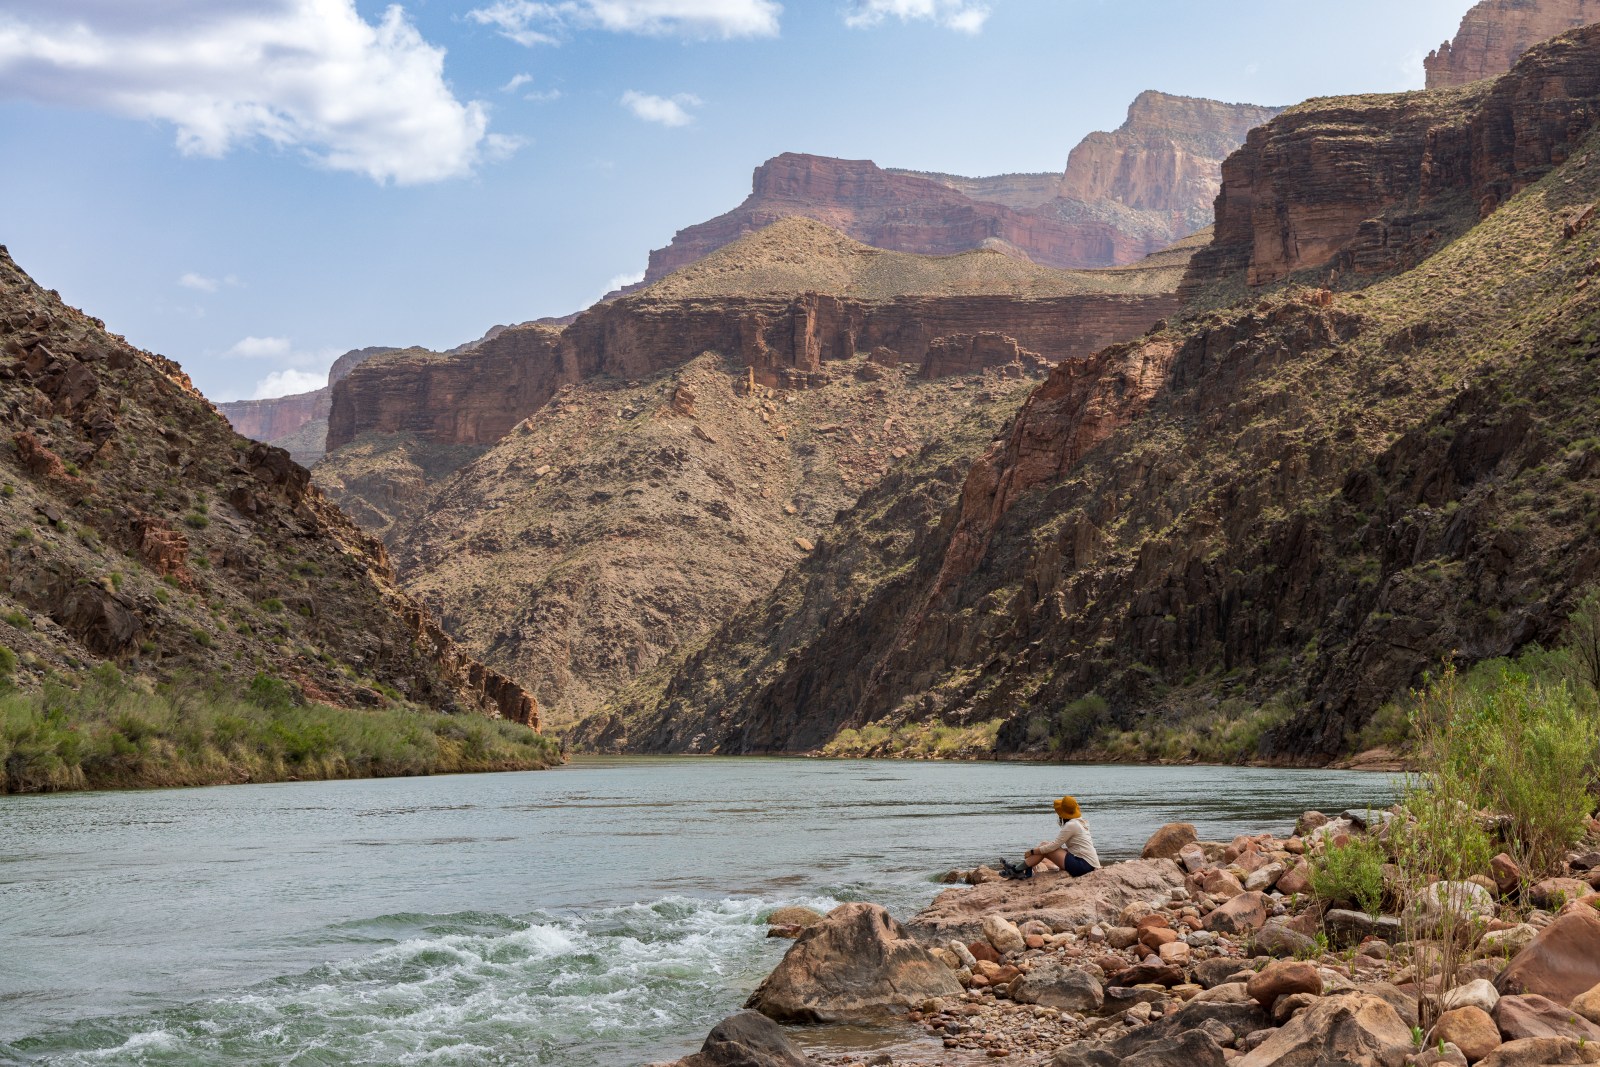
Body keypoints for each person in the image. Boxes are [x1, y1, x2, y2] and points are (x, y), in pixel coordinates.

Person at [1024, 795, 1101, 877]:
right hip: (1089, 863)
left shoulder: (1071, 825)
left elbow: (1053, 846)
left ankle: (1018, 869)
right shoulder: (1079, 822)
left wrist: (1032, 851)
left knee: (1045, 847)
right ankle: (1023, 870)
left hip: (1083, 865)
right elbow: (1079, 847)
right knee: (1044, 844)